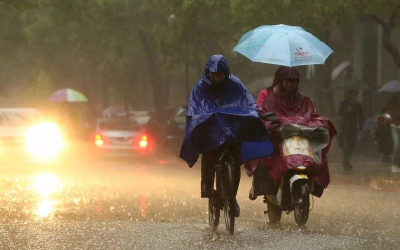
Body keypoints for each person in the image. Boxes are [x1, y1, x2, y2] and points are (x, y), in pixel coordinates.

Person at [180, 55, 270, 217]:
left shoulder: (235, 84)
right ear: (208, 73)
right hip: (211, 133)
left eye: (220, 74)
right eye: (213, 74)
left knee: (235, 163)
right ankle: (207, 189)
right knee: (208, 155)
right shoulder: (200, 87)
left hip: (231, 133)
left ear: (225, 73)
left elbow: (248, 102)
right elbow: (194, 109)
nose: (216, 77)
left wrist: (255, 112)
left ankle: (232, 197)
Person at [248, 66, 337, 198]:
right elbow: (266, 114)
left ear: (297, 82)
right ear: (281, 81)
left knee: (319, 157)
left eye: (293, 81)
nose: (290, 84)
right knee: (265, 155)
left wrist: (321, 121)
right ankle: (263, 186)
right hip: (279, 138)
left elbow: (310, 115)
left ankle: (315, 185)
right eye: (287, 81)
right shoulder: (271, 98)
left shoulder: (304, 100)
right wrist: (271, 124)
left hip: (300, 137)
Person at [338, 90, 364, 172]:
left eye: (356, 95)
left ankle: (347, 161)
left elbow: (361, 116)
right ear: (349, 95)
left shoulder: (358, 105)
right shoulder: (344, 103)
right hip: (344, 128)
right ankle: (346, 163)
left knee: (351, 146)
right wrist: (346, 111)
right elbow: (339, 113)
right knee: (346, 146)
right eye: (353, 94)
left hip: (353, 128)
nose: (354, 96)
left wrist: (361, 127)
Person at [382, 93, 400, 173]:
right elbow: (393, 115)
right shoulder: (392, 103)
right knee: (397, 145)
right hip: (395, 126)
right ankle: (394, 164)